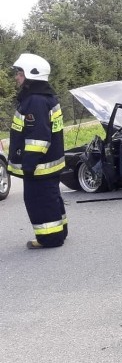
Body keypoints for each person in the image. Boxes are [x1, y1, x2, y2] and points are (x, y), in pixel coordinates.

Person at [8, 53, 67, 249]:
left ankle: (50, 238)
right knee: (51, 197)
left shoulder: (35, 101)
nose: (17, 77)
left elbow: (39, 137)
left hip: (39, 166)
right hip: (50, 163)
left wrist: (28, 164)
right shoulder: (45, 97)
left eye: (20, 73)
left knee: (39, 200)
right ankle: (60, 231)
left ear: (31, 75)